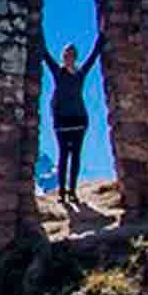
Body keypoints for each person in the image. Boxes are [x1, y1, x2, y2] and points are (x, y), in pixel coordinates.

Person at [42, 31, 104, 202]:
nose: (69, 57)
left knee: (76, 156)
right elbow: (45, 55)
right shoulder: (58, 72)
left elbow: (92, 58)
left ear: (75, 57)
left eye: (72, 55)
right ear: (63, 57)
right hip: (62, 121)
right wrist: (37, 32)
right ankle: (61, 192)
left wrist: (101, 38)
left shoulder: (80, 74)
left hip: (79, 120)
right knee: (63, 155)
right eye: (67, 54)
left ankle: (72, 191)